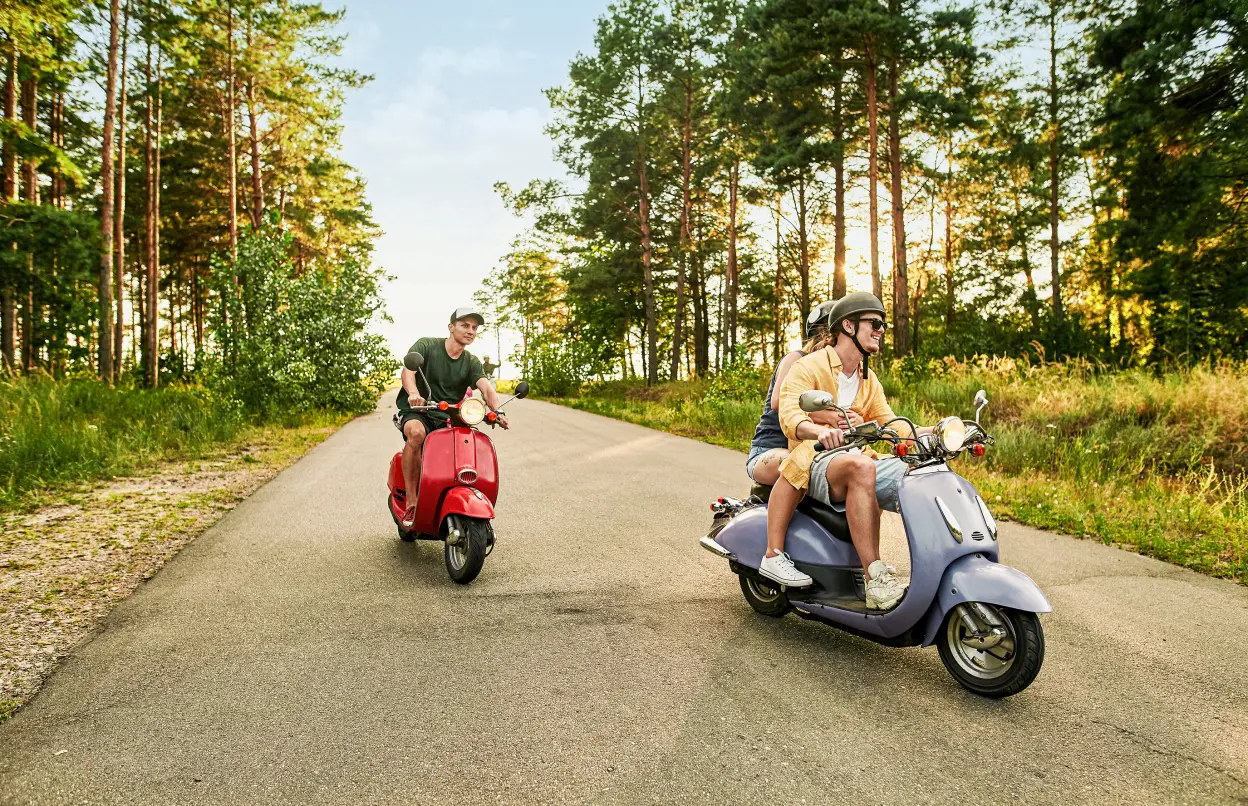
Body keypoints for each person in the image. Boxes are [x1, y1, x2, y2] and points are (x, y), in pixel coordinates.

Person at [764, 293, 937, 611]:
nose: (881, 330)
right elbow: (789, 414)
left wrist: (936, 432)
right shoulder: (808, 366)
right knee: (862, 468)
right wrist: (819, 430)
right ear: (848, 325)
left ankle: (936, 567)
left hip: (855, 458)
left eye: (883, 324)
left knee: (918, 474)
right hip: (813, 459)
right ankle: (875, 580)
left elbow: (893, 426)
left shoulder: (869, 381)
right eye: (875, 323)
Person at [393, 307, 510, 530]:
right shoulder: (426, 345)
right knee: (417, 434)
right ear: (451, 327)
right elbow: (408, 371)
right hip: (419, 411)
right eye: (465, 325)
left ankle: (453, 494)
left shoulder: (471, 361)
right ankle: (412, 501)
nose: (471, 331)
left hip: (450, 414)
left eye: (474, 328)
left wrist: (499, 411)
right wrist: (413, 394)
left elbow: (486, 388)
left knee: (465, 441)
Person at [745, 301, 844, 488]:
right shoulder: (796, 359)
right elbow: (778, 403)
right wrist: (830, 416)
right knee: (799, 465)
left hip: (809, 450)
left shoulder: (833, 372)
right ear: (825, 334)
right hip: (771, 449)